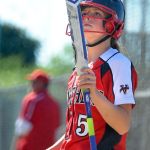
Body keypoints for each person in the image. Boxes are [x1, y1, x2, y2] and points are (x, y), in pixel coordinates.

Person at [47, 0, 138, 150]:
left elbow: (122, 125)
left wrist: (94, 94)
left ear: (111, 24)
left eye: (96, 13)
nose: (87, 17)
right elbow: (74, 132)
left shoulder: (118, 63)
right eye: (84, 13)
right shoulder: (78, 70)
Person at [11, 69, 61, 150]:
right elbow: (57, 129)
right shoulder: (54, 103)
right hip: (49, 147)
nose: (31, 84)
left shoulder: (32, 99)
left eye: (34, 81)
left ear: (42, 83)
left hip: (30, 146)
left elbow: (22, 128)